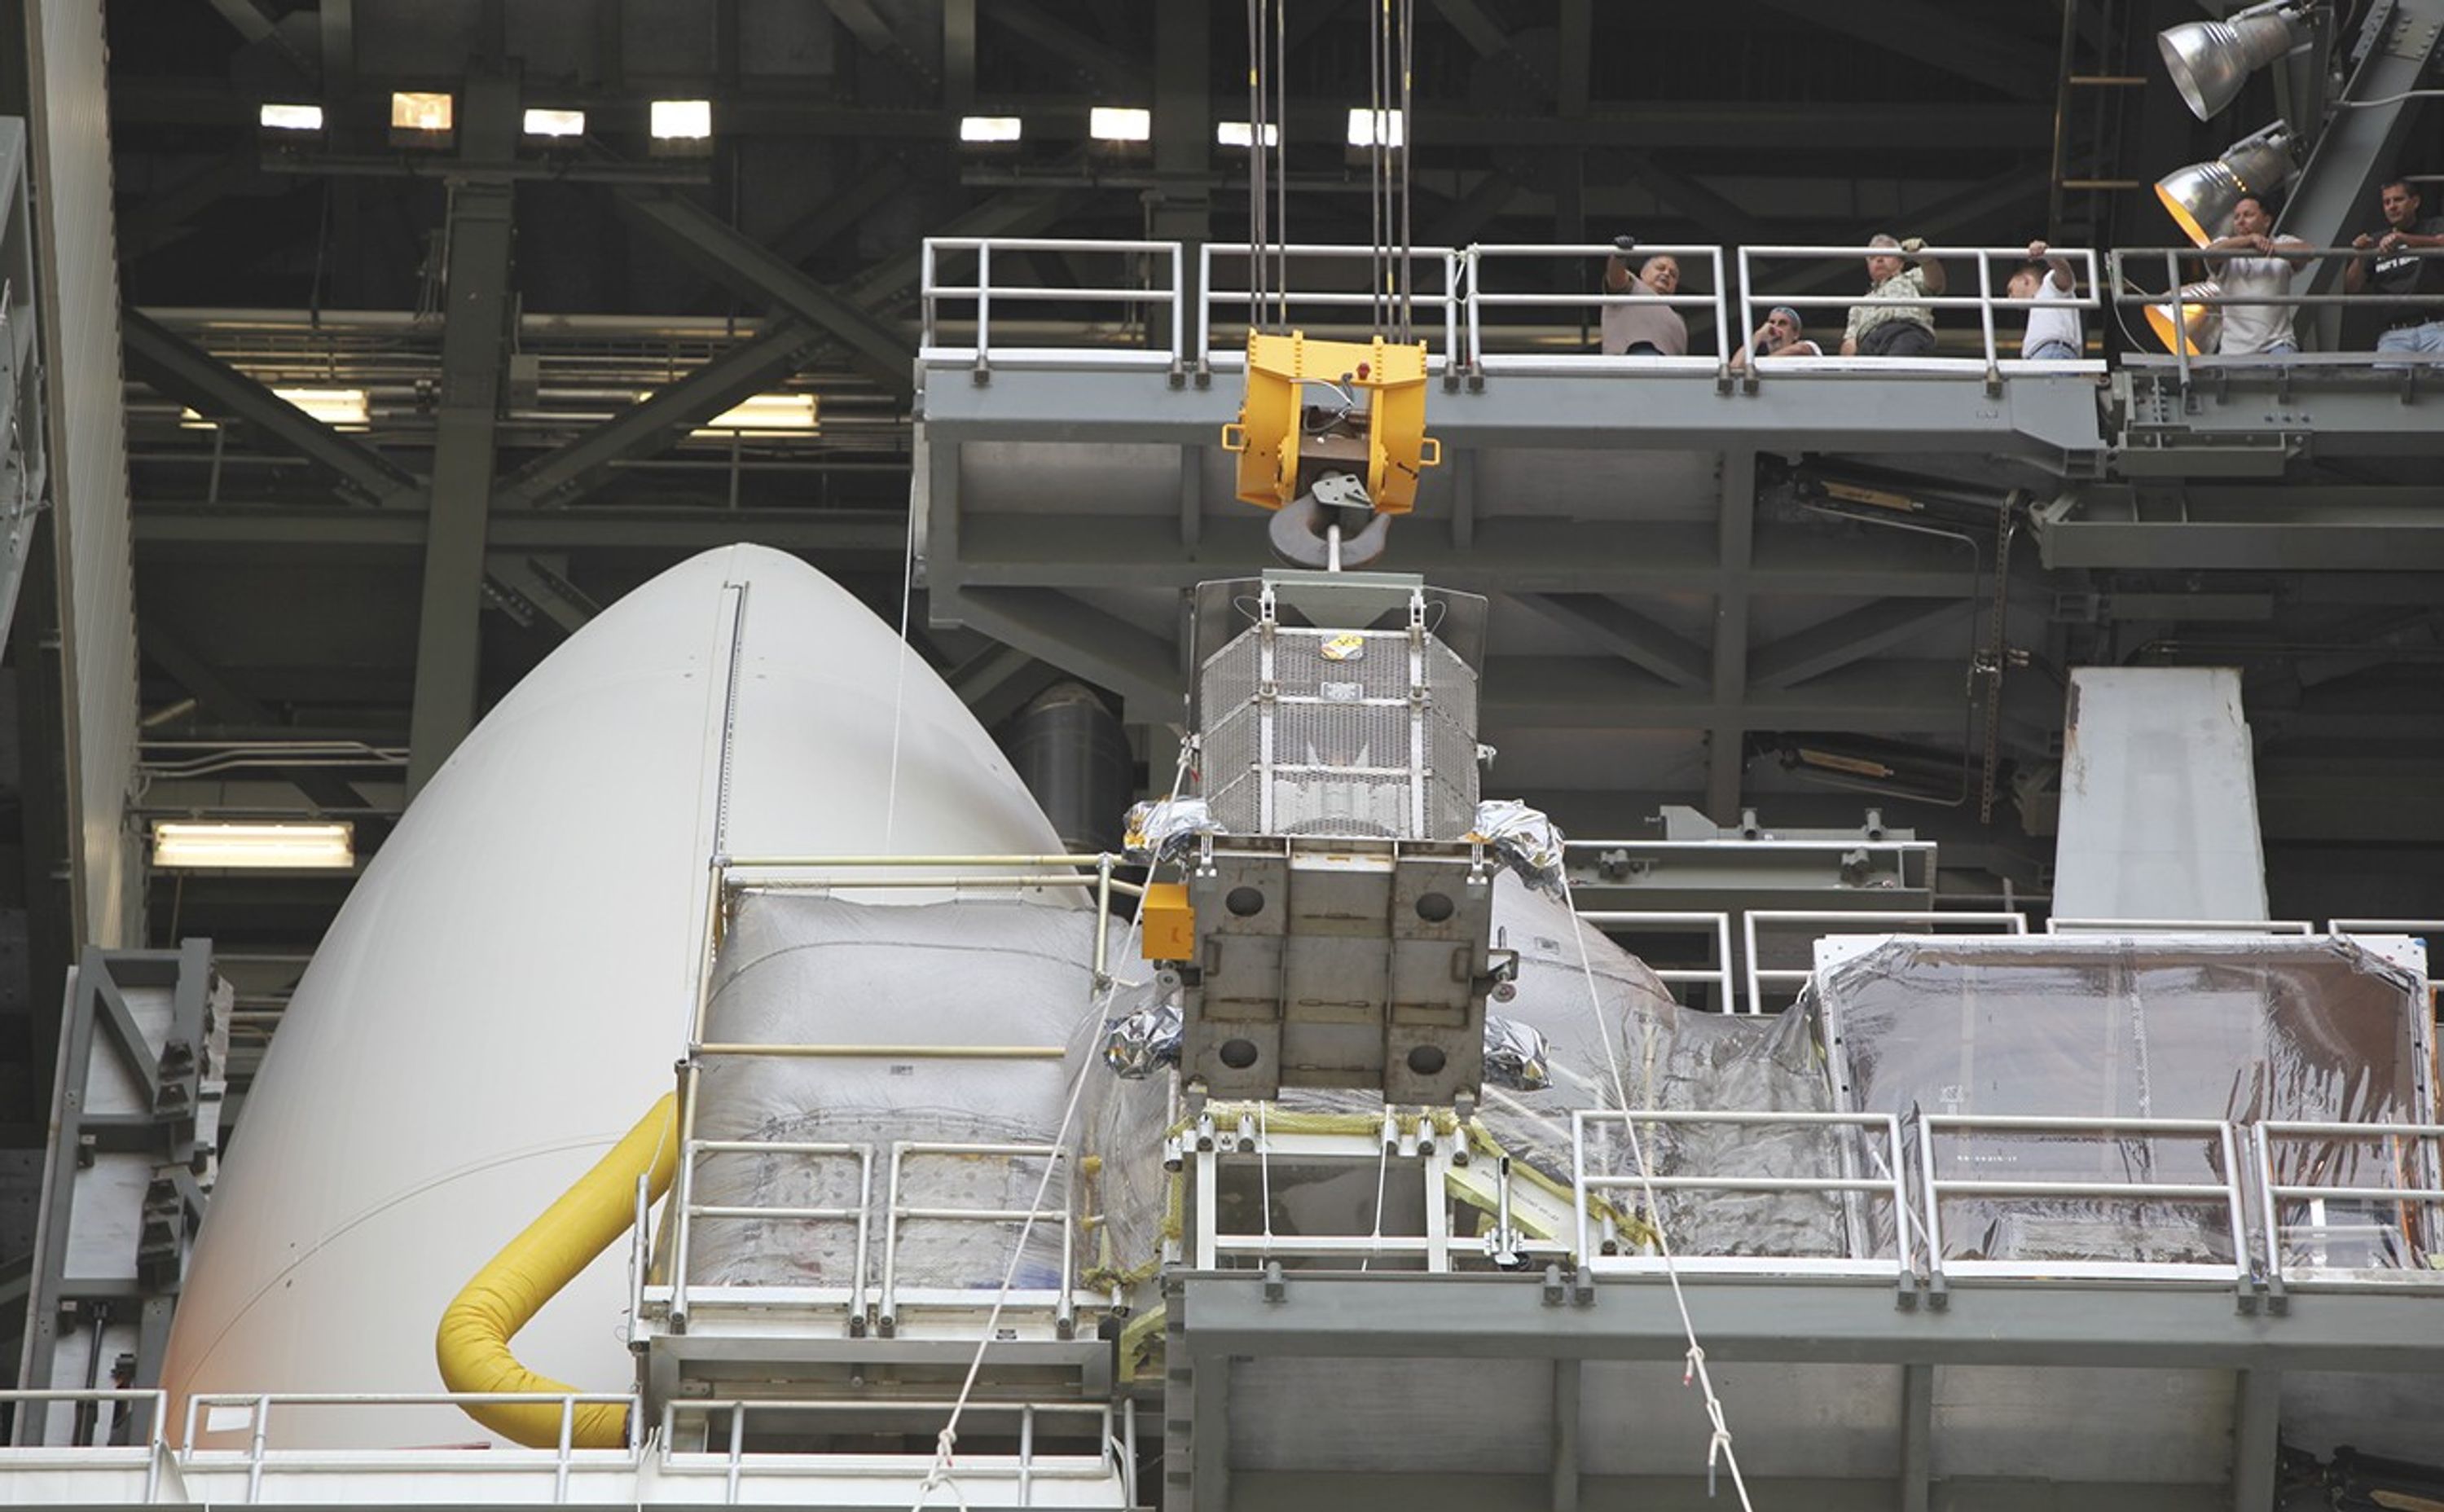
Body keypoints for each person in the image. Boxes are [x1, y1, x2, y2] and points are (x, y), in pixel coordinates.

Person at [2344, 178, 2444, 358]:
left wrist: (2405, 239)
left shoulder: (2433, 226)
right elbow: (2352, 287)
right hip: (2394, 335)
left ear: (2415, 202)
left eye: (2398, 200)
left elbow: (2441, 242)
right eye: (2387, 202)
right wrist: (2361, 256)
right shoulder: (2376, 241)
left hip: (2436, 327)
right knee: (2387, 383)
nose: (2392, 206)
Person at [2202, 196, 2310, 357]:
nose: (2241, 221)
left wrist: (2269, 247)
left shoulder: (2282, 242)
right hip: (2233, 351)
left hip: (2278, 345)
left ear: (2266, 221)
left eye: (2248, 215)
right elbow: (2210, 254)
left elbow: (2308, 252)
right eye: (2237, 217)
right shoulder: (2226, 245)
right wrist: (2249, 240)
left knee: (2287, 375)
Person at [1841, 234, 1945, 356]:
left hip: (1905, 331)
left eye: (1886, 254)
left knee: (1895, 371)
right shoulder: (1860, 304)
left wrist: (1926, 259)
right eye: (1873, 257)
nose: (1879, 259)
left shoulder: (1911, 278)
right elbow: (1850, 342)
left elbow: (1936, 284)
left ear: (1901, 262)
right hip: (1868, 342)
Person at [1599, 235, 1688, 357]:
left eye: (1673, 274)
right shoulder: (1633, 286)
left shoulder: (1678, 318)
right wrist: (1619, 256)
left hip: (1666, 371)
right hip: (1632, 361)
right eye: (1660, 268)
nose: (1666, 274)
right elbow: (1616, 278)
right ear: (1643, 273)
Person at [2010, 240, 2082, 359]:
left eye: (2010, 289)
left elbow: (2066, 276)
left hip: (2052, 352)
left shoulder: (2049, 285)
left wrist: (2046, 253)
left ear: (2025, 280)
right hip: (2043, 355)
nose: (2010, 297)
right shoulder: (2038, 303)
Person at [1730, 305, 1822, 370]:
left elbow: (1801, 349)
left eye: (1782, 323)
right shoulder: (1759, 363)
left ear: (1796, 334)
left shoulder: (1808, 346)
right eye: (1772, 323)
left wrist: (1762, 363)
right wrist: (1758, 335)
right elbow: (1735, 366)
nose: (1775, 328)